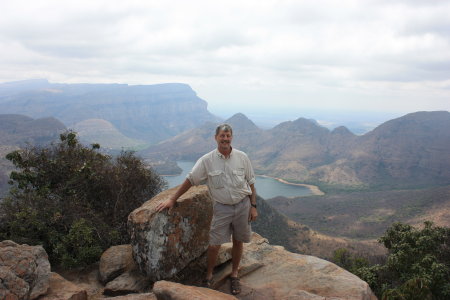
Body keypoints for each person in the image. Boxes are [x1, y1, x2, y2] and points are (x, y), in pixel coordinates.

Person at [156, 123, 258, 295]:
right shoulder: (207, 161)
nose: (225, 139)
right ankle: (208, 276)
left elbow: (251, 183)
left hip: (243, 205)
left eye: (228, 136)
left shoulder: (242, 157)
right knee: (213, 245)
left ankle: (234, 275)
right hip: (222, 208)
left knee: (238, 241)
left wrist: (253, 206)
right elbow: (190, 179)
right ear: (216, 138)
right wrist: (173, 199)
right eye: (222, 136)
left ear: (231, 137)